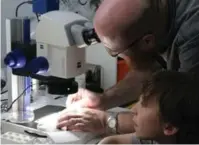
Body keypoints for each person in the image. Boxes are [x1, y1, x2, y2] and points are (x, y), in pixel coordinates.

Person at [57, 0, 199, 134]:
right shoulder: (156, 17)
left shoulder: (193, 36)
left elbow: (183, 115)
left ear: (147, 41)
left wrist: (107, 122)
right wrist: (104, 99)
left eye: (116, 53)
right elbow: (149, 69)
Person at [98, 71, 199, 144]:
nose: (133, 110)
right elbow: (112, 141)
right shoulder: (156, 138)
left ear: (169, 128)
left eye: (143, 105)